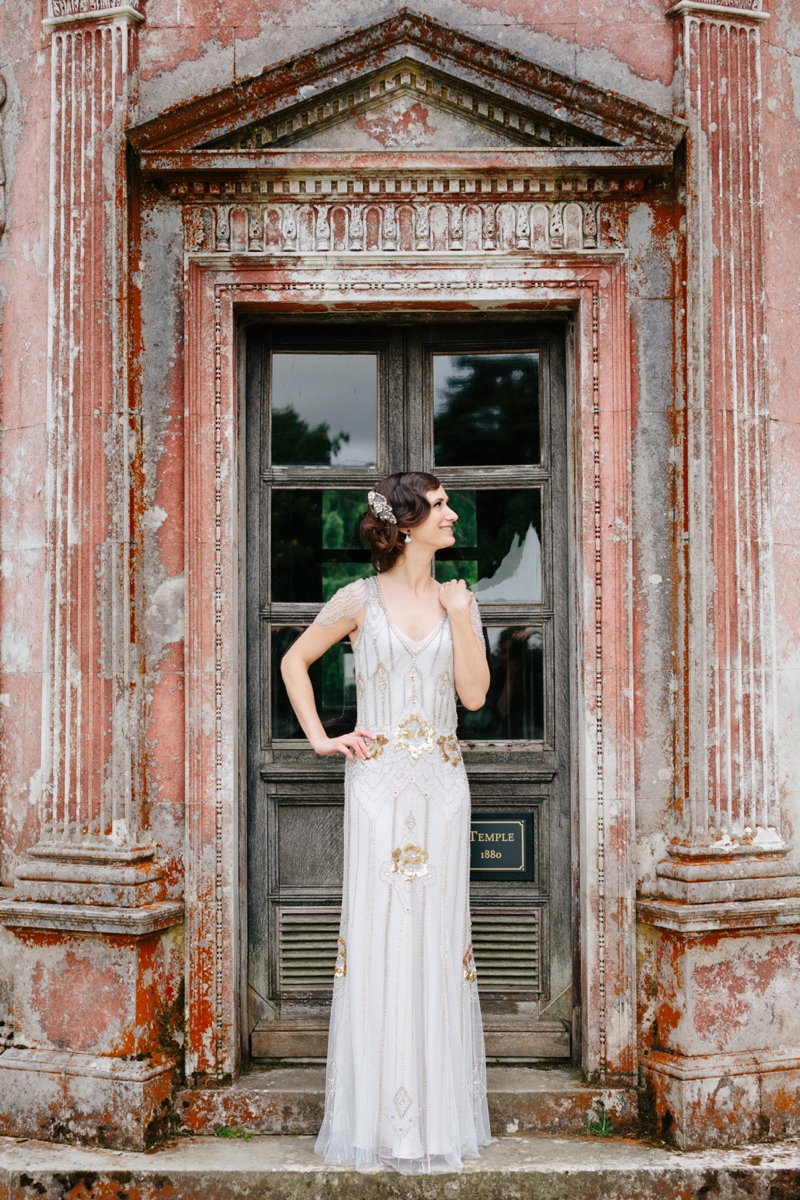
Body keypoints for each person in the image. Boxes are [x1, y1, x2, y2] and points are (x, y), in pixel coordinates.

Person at [281, 472, 492, 1174]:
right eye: (439, 506)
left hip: (441, 788)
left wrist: (463, 618)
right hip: (375, 787)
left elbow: (474, 696)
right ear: (404, 525)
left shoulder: (459, 600)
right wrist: (321, 738)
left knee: (436, 941)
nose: (452, 514)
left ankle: (435, 1124)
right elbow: (295, 661)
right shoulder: (356, 600)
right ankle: (373, 1125)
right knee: (376, 940)